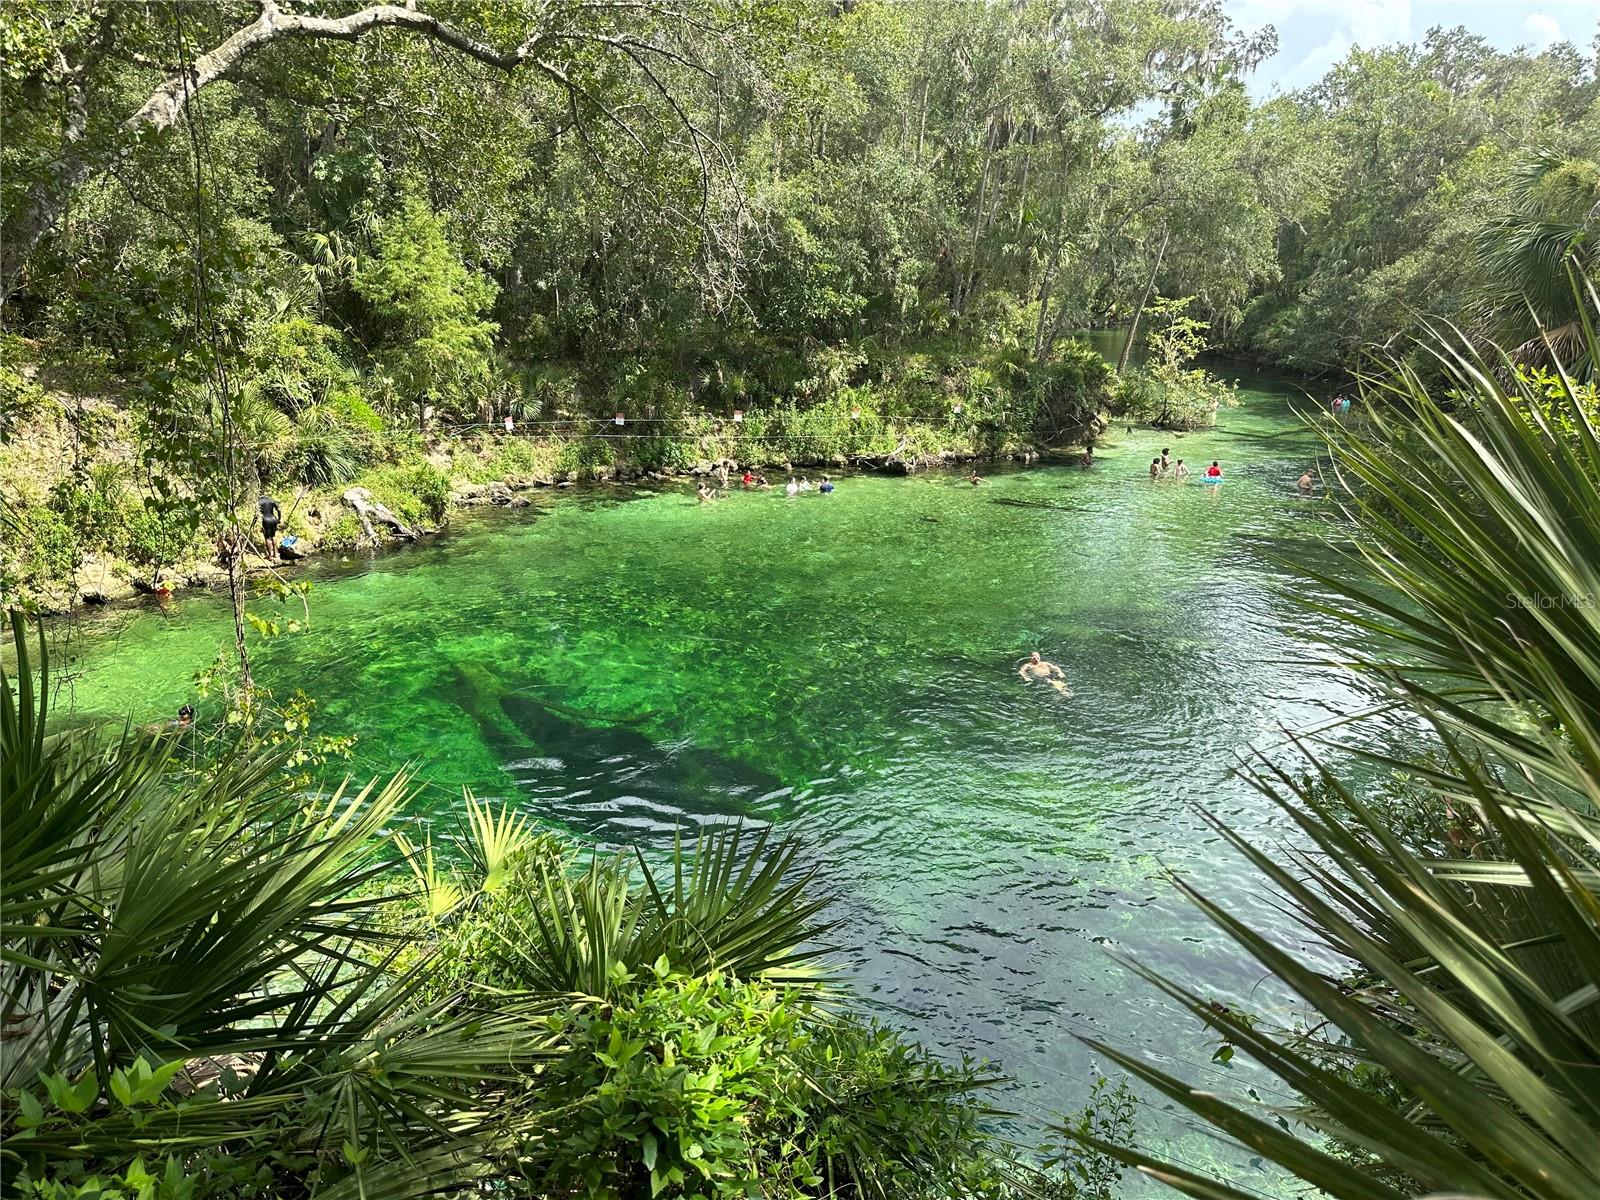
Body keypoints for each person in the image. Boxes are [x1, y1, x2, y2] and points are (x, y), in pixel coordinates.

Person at [258, 495, 282, 560]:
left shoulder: (260, 502)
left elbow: (257, 513)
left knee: (268, 538)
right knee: (273, 536)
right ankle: (276, 554)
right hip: (274, 519)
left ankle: (270, 556)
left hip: (266, 520)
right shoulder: (271, 500)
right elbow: (279, 510)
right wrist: (279, 519)